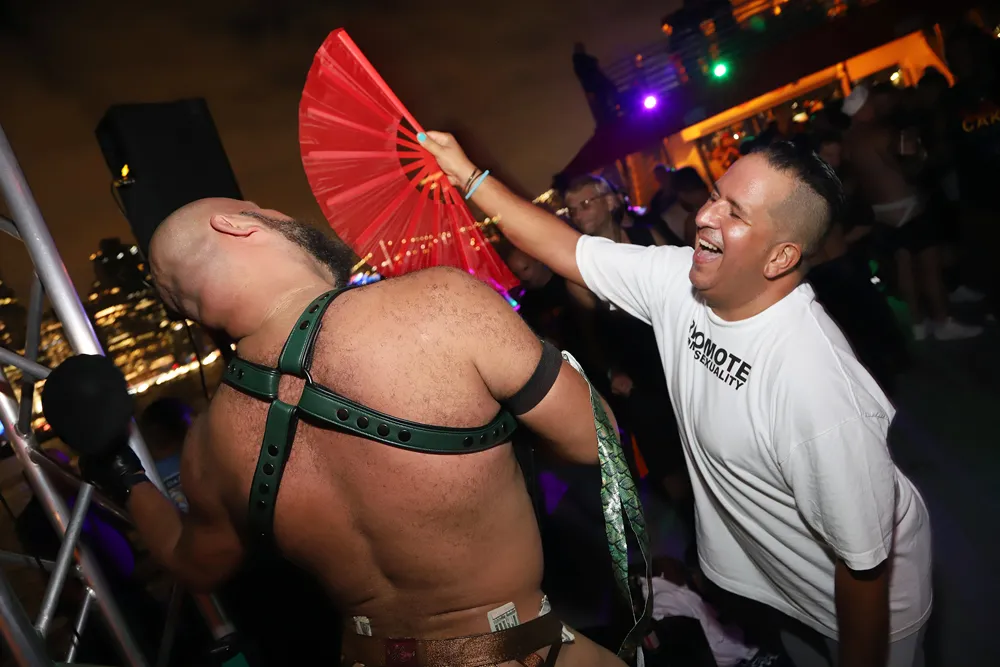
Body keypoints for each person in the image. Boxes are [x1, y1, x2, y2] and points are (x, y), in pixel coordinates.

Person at [418, 131, 933, 667]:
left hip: (867, 619)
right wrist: (468, 175)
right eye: (714, 195)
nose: (706, 216)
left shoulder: (816, 386)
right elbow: (568, 249)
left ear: (781, 256)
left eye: (735, 213)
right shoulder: (680, 283)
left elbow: (865, 569)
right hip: (783, 589)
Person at [73, 198, 629, 667]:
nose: (282, 213)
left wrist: (124, 476)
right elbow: (595, 438)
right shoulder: (439, 304)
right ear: (237, 224)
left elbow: (192, 563)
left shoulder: (208, 446)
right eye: (264, 208)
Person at [842, 84, 982, 341]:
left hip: (881, 212)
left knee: (904, 266)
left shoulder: (848, 142)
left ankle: (918, 324)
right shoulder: (881, 132)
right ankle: (942, 321)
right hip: (906, 205)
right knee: (929, 265)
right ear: (863, 109)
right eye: (870, 102)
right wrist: (921, 156)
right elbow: (907, 166)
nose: (875, 106)